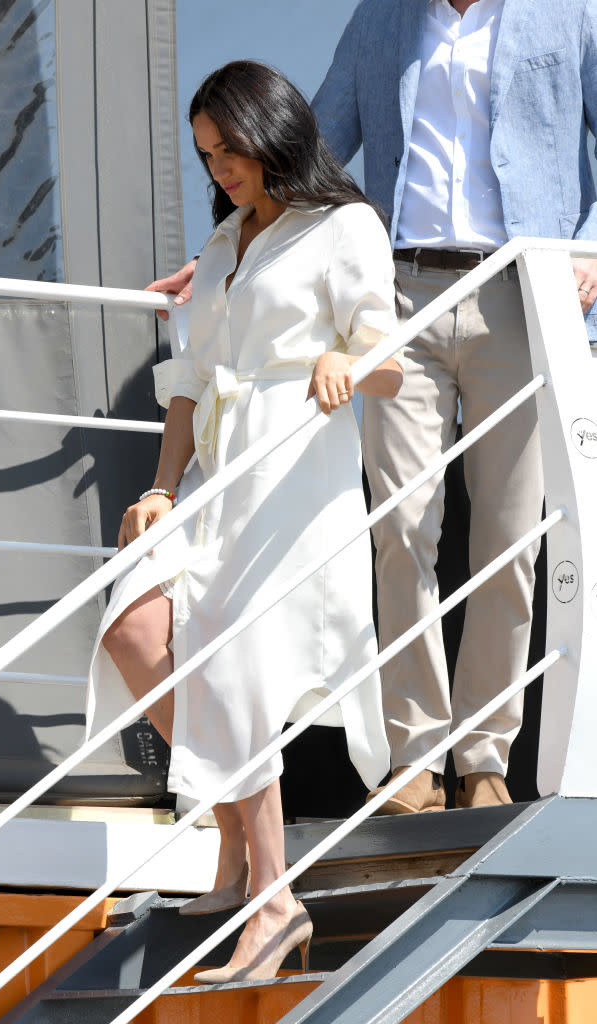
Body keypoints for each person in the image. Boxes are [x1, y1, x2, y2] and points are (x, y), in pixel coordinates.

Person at [152, 0, 597, 813]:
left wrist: (589, 244)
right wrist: (217, 256)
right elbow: (306, 143)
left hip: (523, 293)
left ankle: (486, 754)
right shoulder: (383, 19)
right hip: (401, 299)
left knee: (508, 542)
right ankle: (415, 754)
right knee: (399, 528)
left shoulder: (570, 13)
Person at [86, 60, 402, 982]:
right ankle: (241, 855)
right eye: (206, 156)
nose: (220, 169)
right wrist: (159, 487)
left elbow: (383, 350)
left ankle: (268, 894)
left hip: (298, 459)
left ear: (273, 135)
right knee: (139, 629)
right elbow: (186, 385)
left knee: (235, 664)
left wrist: (346, 364)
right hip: (224, 470)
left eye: (230, 151)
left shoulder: (344, 226)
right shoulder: (224, 245)